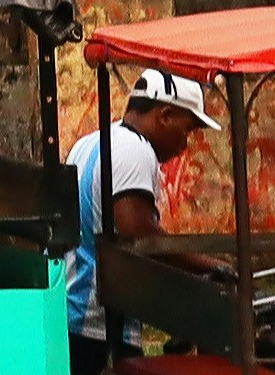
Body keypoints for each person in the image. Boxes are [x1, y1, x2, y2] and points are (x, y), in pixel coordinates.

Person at [57, 86, 206, 350]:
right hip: (99, 322)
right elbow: (137, 233)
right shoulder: (134, 151)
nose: (184, 144)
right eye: (186, 130)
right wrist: (206, 265)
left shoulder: (92, 141)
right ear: (165, 115)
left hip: (69, 308)